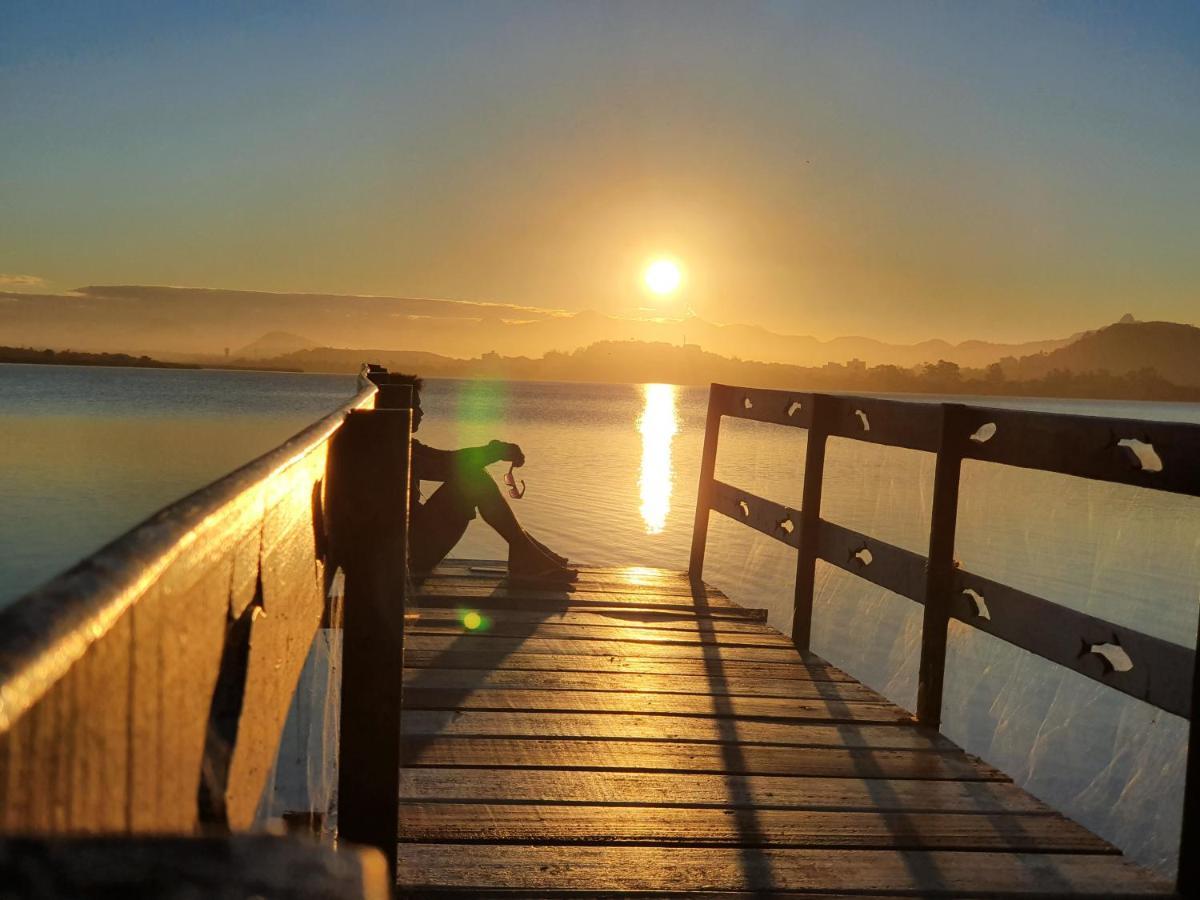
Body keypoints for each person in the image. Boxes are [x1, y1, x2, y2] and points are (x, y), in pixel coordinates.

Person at [393, 374, 577, 583]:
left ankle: (527, 548)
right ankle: (525, 552)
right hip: (409, 556)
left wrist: (491, 451)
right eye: (414, 407)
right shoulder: (391, 450)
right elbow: (446, 466)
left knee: (473, 475)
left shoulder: (399, 441)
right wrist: (493, 453)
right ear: (395, 410)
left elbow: (445, 457)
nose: (421, 413)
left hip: (410, 548)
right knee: (473, 477)